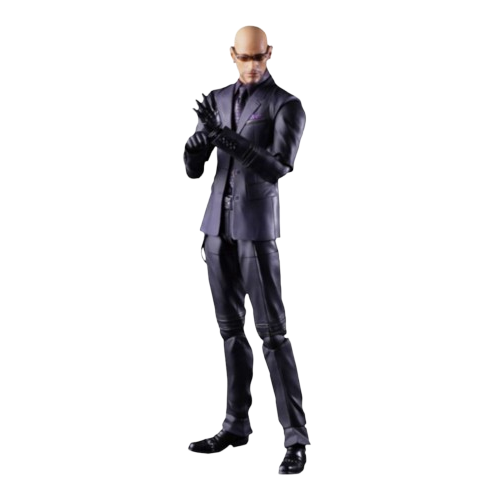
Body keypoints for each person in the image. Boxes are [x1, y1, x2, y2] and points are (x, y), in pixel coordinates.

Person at [183, 24, 310, 475]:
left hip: (257, 231)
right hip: (217, 230)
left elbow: (278, 167)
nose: (252, 65)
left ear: (269, 53)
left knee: (273, 334)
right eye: (244, 57)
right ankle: (236, 424)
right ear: (232, 55)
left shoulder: (286, 104)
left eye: (259, 57)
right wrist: (196, 145)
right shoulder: (216, 100)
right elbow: (194, 170)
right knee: (230, 333)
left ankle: (295, 438)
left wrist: (223, 137)